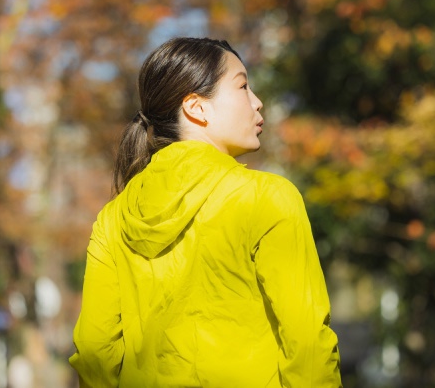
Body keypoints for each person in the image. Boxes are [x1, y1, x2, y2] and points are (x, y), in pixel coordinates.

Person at [69, 37, 341, 387]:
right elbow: (307, 346)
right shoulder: (266, 198)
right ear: (197, 108)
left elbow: (95, 352)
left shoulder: (113, 220)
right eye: (243, 86)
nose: (257, 103)